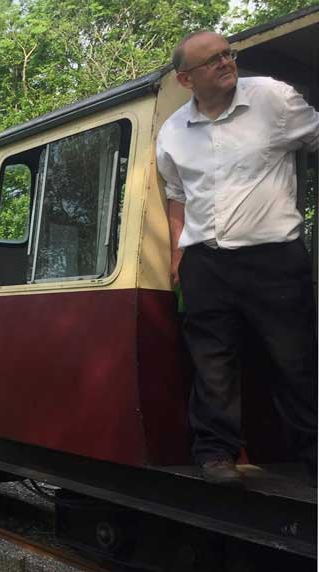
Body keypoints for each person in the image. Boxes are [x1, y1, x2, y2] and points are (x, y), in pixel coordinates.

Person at [156, 31, 318, 485]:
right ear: (187, 79)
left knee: (295, 361)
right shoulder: (172, 132)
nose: (227, 63)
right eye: (213, 60)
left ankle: (314, 456)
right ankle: (215, 455)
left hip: (275, 259)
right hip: (206, 261)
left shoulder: (274, 99)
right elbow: (176, 195)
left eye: (228, 54)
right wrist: (178, 253)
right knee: (212, 364)